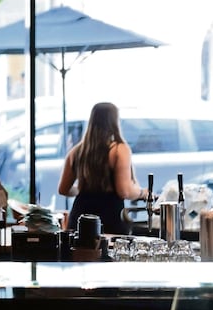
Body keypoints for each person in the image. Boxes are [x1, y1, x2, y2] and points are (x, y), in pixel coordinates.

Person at [58, 101, 147, 235]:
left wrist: (84, 190)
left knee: (80, 254)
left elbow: (64, 189)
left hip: (80, 219)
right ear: (114, 122)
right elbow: (124, 191)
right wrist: (142, 193)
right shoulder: (119, 150)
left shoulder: (77, 151)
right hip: (109, 218)